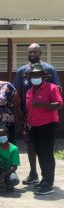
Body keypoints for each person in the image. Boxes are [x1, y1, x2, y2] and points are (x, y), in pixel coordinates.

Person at [14, 43, 62, 185]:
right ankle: (33, 173)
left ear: (41, 53)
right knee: (31, 144)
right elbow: (17, 92)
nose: (32, 54)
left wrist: (44, 104)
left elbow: (57, 91)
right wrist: (19, 111)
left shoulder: (49, 69)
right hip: (29, 117)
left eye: (35, 52)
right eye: (30, 52)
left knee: (45, 150)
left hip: (47, 119)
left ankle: (47, 180)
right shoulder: (21, 71)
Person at [25, 63, 63, 195]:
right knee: (40, 153)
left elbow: (59, 105)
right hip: (33, 127)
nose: (35, 76)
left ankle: (49, 183)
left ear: (43, 76)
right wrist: (27, 125)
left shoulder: (52, 88)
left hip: (48, 125)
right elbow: (29, 111)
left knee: (47, 154)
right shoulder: (29, 91)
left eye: (38, 74)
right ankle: (44, 179)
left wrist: (42, 104)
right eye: (33, 75)